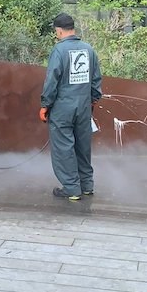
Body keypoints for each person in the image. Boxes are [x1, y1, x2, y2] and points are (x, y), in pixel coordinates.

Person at [40, 13, 102, 201]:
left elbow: (52, 80)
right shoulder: (88, 49)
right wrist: (93, 99)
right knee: (83, 146)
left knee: (64, 147)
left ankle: (71, 188)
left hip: (63, 108)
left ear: (59, 30)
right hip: (83, 107)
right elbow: (96, 78)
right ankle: (87, 185)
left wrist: (45, 105)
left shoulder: (59, 51)